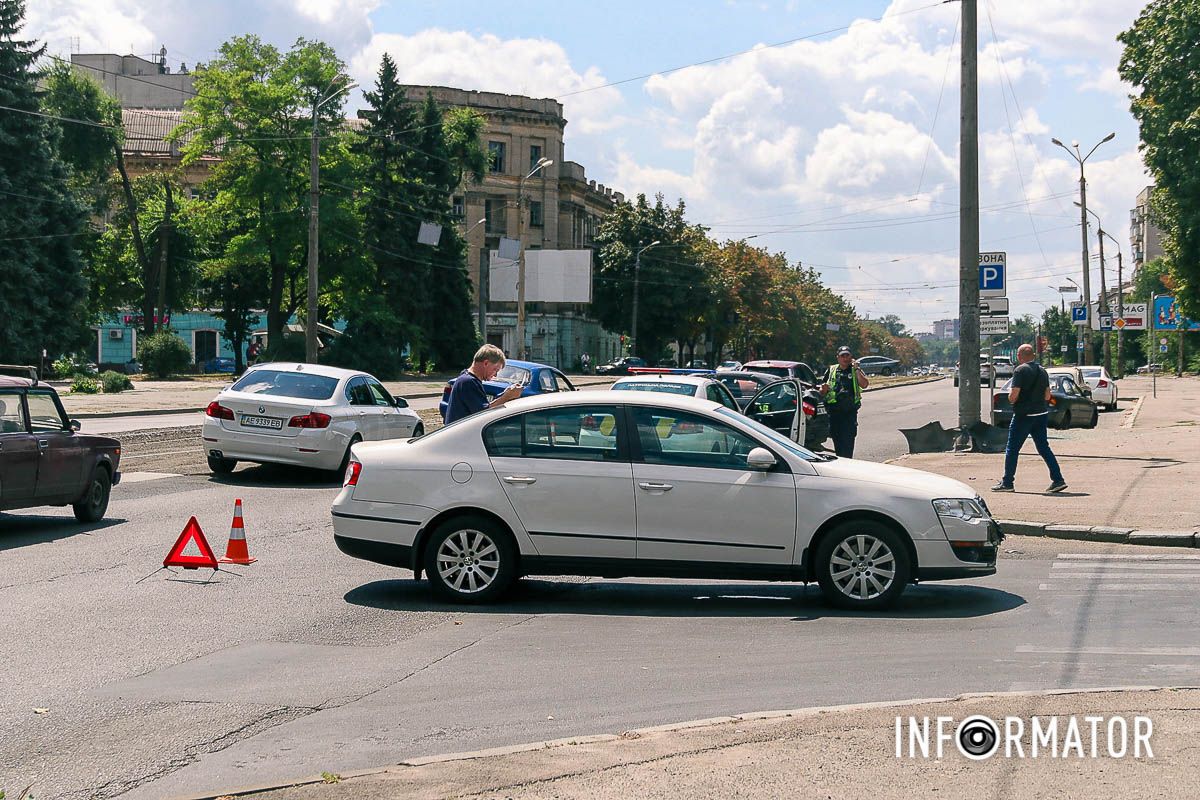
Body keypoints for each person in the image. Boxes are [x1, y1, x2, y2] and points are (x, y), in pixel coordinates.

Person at [992, 343, 1067, 493]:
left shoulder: (1020, 370)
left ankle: (1007, 482)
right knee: (1044, 448)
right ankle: (1058, 480)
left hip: (1023, 416)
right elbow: (1047, 395)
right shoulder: (1042, 371)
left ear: (1019, 356)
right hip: (1041, 415)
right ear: (1032, 355)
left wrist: (1011, 398)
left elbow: (1014, 396)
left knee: (1012, 449)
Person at [444, 344, 524, 425]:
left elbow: (484, 405)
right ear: (486, 363)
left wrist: (505, 393)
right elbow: (484, 413)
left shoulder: (467, 378)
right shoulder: (468, 382)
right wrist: (507, 396)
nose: (495, 375)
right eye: (495, 370)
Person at [820, 345, 869, 457]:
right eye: (843, 356)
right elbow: (822, 390)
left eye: (847, 356)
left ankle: (847, 466)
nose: (845, 358)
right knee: (838, 444)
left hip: (849, 414)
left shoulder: (855, 370)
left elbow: (864, 384)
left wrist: (856, 368)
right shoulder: (831, 370)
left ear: (851, 357)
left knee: (847, 444)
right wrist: (823, 389)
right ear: (838, 357)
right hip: (834, 413)